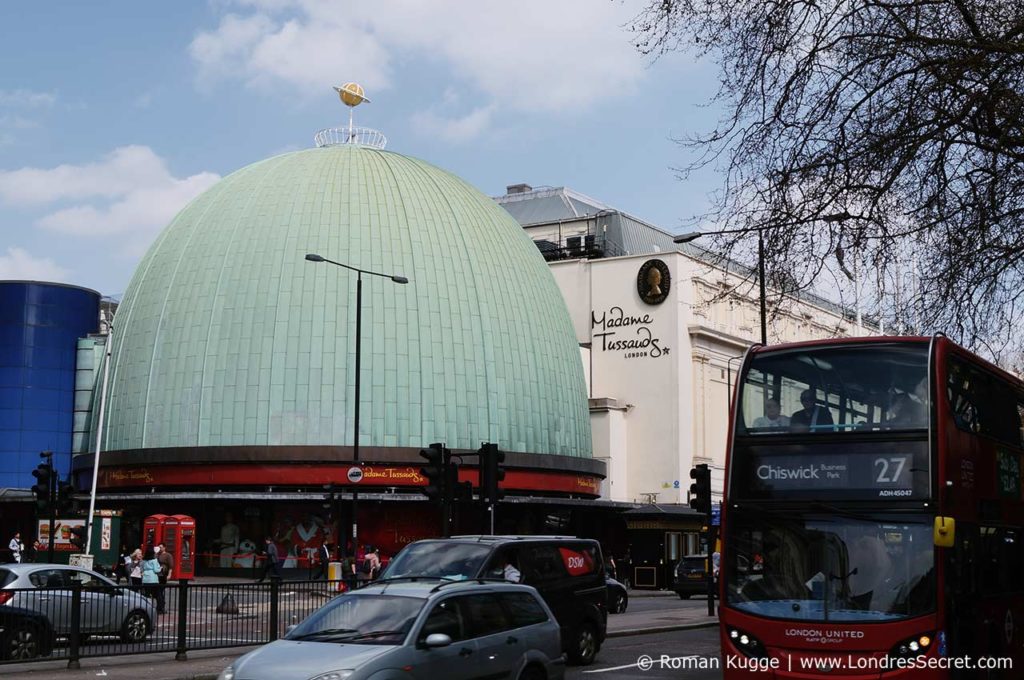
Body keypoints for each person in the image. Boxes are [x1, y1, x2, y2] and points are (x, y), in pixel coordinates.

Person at [156, 543, 174, 614]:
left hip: (163, 574)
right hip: (157, 574)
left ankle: (161, 607)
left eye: (161, 547)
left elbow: (171, 566)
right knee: (158, 591)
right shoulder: (157, 555)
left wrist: (169, 575)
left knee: (160, 591)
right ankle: (160, 606)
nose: (159, 548)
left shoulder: (168, 555)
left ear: (164, 548)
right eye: (159, 547)